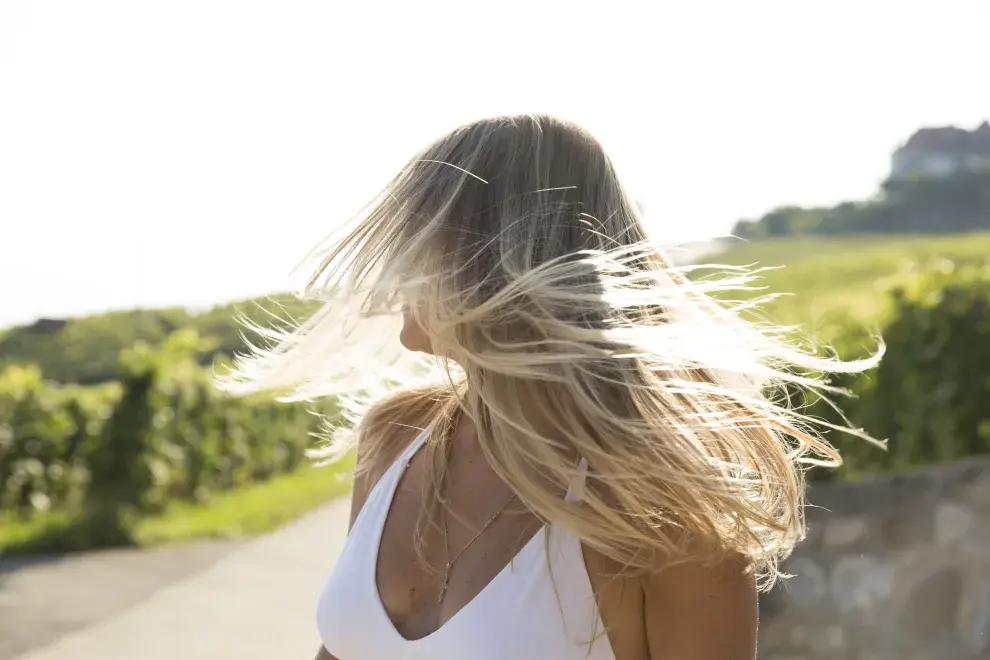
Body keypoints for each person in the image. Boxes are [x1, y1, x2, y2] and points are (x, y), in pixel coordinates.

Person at [219, 114, 879, 659]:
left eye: (423, 239)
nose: (398, 267)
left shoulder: (663, 515)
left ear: (499, 256)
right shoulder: (395, 438)